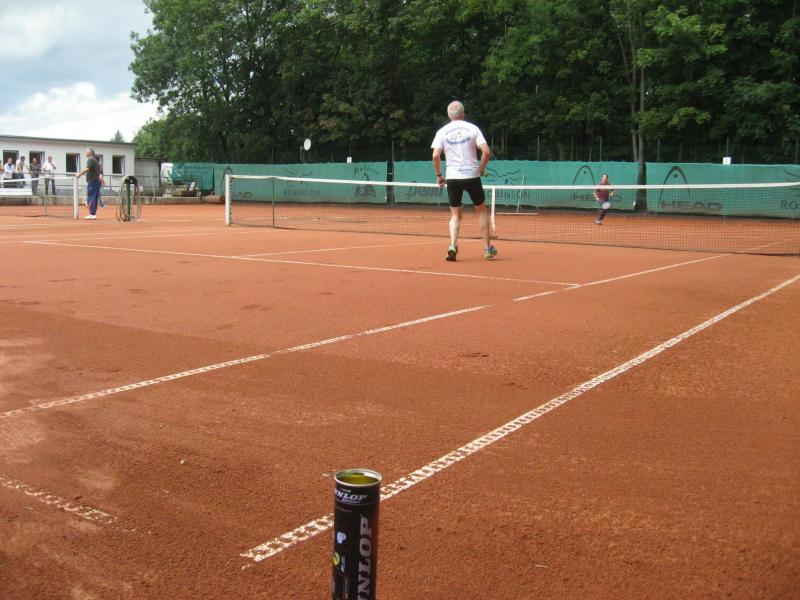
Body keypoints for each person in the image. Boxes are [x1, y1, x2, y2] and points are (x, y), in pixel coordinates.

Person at [431, 100, 496, 261]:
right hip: (472, 176)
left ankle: (453, 245)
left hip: (453, 177)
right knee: (481, 211)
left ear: (449, 115)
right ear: (463, 113)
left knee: (455, 215)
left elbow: (435, 155)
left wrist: (439, 175)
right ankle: (487, 248)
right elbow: (486, 152)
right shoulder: (473, 129)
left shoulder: (442, 132)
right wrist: (480, 169)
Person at [76, 147, 101, 219]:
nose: (85, 152)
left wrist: (79, 174)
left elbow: (87, 169)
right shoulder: (95, 160)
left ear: (90, 152)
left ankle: (92, 214)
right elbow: (92, 171)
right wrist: (85, 174)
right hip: (95, 180)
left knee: (91, 196)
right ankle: (93, 213)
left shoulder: (90, 159)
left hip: (93, 181)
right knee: (93, 197)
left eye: (86, 151)